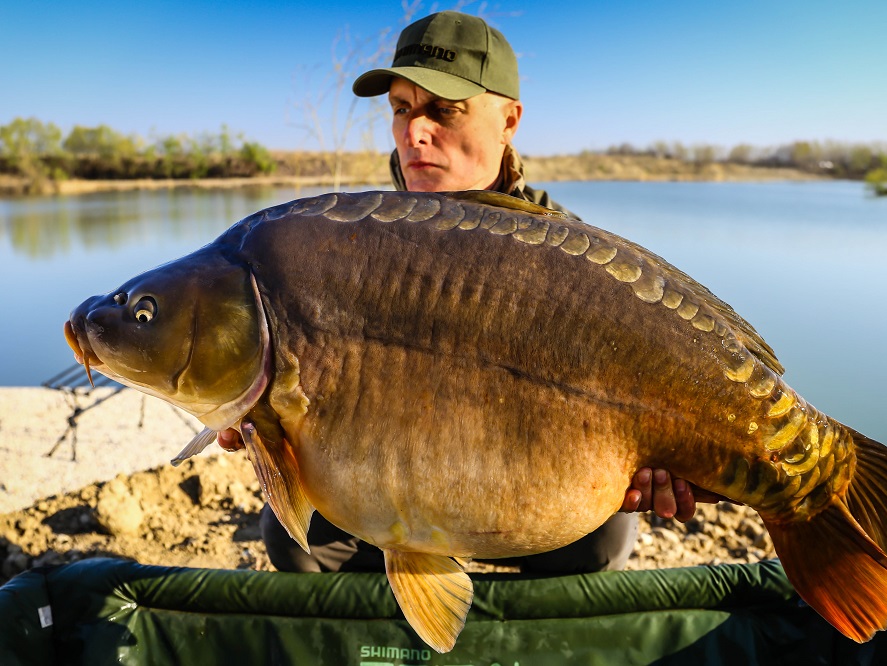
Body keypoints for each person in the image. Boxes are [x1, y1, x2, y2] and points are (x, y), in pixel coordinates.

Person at [220, 10, 723, 573]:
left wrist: (664, 455)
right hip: (383, 464)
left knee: (602, 542)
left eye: (444, 108)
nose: (414, 131)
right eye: (402, 108)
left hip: (523, 470)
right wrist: (252, 402)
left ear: (509, 120)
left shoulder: (575, 259)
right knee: (293, 535)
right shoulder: (346, 242)